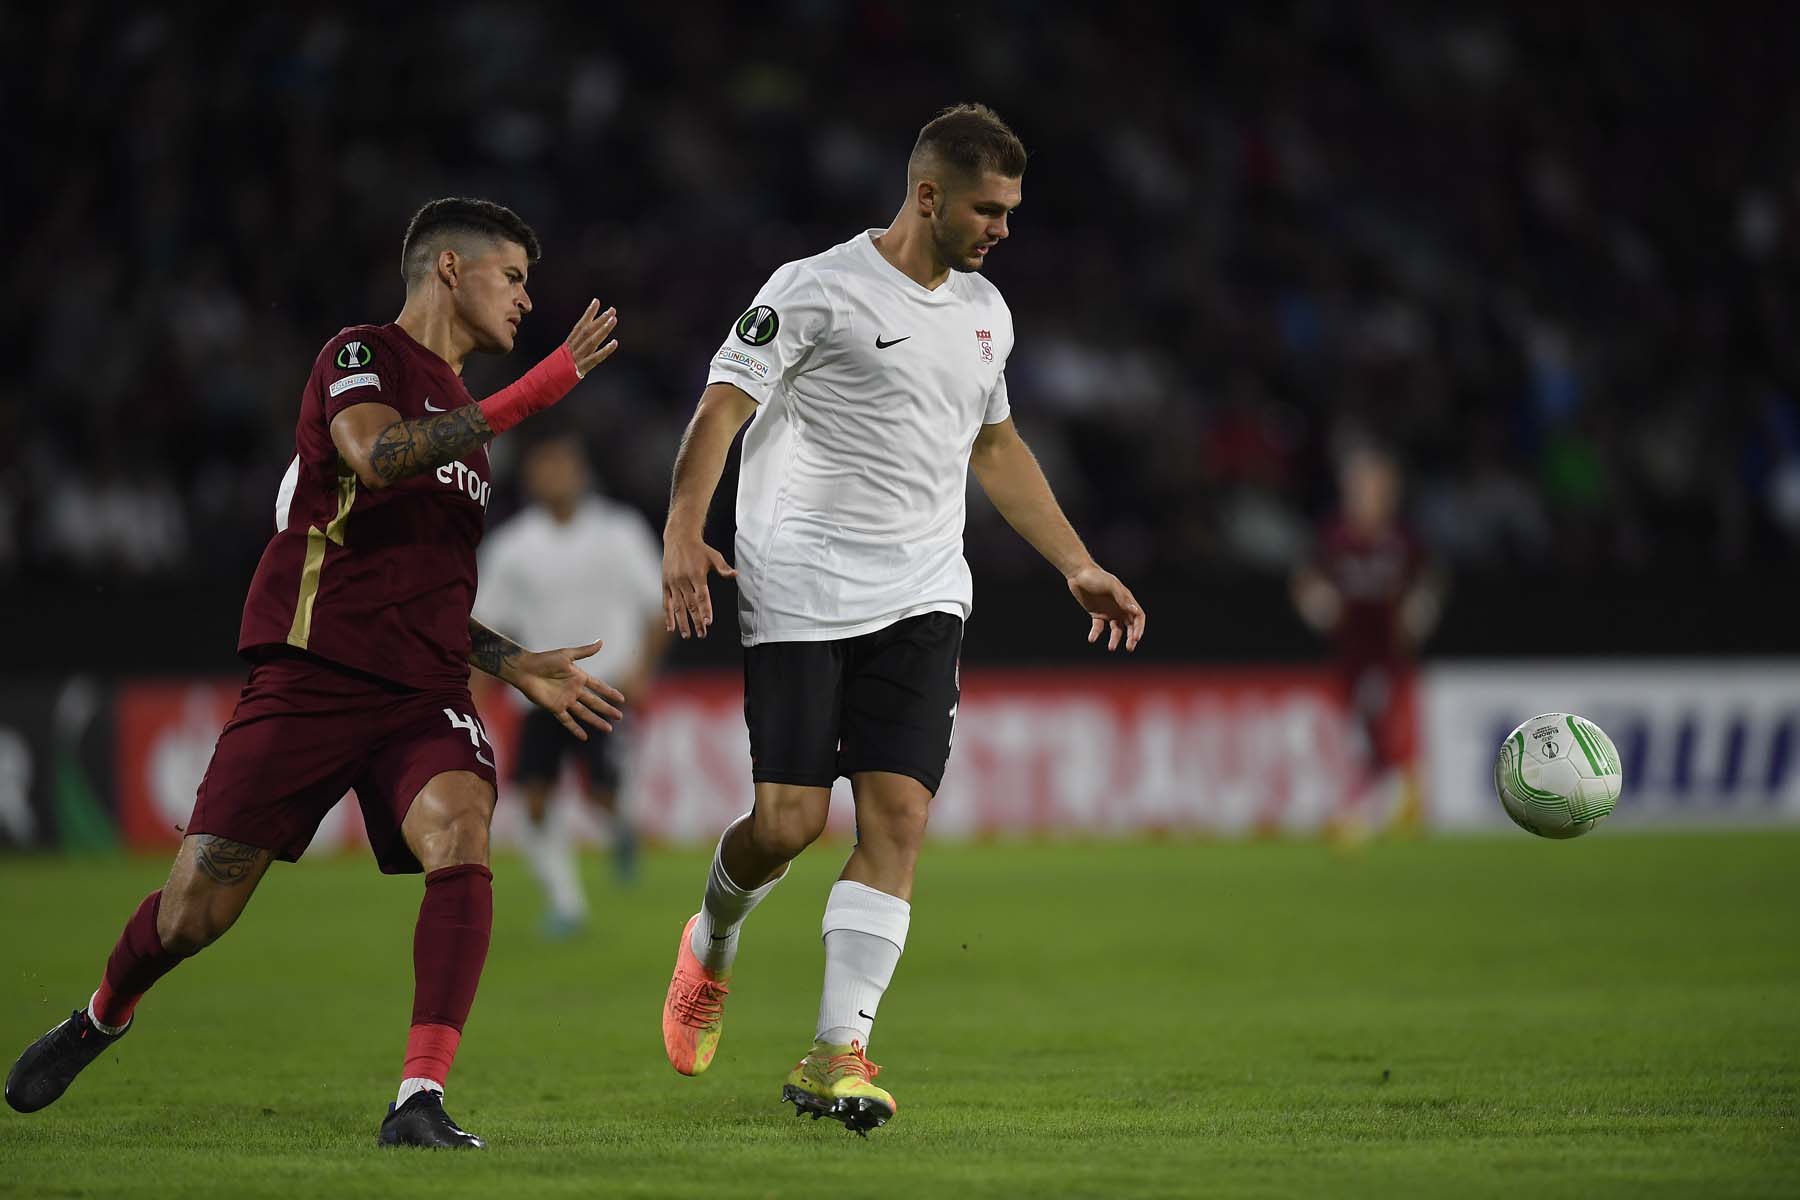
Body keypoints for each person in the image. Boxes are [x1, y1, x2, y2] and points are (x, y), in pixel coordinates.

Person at [4, 198, 628, 1150]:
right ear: (450, 269)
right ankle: (102, 1013)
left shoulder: (469, 429)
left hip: (423, 689)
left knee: (463, 829)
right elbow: (376, 457)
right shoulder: (361, 355)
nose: (526, 299)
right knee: (193, 914)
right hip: (316, 671)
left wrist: (509, 662)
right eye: (514, 277)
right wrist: (537, 391)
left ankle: (417, 1098)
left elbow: (418, 591)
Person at [657, 104, 1146, 1134]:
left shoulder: (985, 314)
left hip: (923, 591)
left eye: (1011, 210)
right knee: (788, 824)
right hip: (797, 582)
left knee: (898, 819)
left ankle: (838, 1050)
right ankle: (714, 931)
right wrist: (680, 531)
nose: (1002, 228)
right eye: (988, 208)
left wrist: (1076, 562)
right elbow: (720, 411)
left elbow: (997, 449)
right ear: (928, 195)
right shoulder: (815, 290)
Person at [475, 433, 668, 933]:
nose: (554, 477)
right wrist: (474, 694)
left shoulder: (619, 532)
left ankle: (620, 827)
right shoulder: (512, 546)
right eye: (545, 468)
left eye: (563, 467)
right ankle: (566, 903)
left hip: (604, 686)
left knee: (600, 793)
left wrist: (644, 669)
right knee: (534, 797)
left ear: (581, 472)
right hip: (538, 692)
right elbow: (487, 627)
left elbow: (655, 607)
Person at [1291, 443, 1446, 843]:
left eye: (1374, 488)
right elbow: (1306, 578)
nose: (1366, 496)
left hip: (1389, 655)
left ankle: (1372, 809)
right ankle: (1391, 798)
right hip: (1348, 654)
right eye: (1359, 488)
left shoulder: (1403, 540)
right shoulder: (1335, 537)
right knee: (1360, 731)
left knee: (1376, 726)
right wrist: (1317, 604)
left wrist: (1419, 610)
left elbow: (1429, 580)